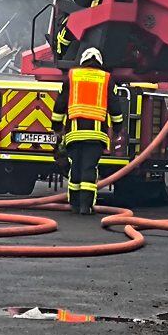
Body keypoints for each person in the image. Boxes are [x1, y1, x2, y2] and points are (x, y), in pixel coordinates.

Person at [51, 48, 125, 214]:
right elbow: (115, 107)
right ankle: (86, 206)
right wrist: (118, 128)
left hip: (74, 134)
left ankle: (74, 204)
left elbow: (60, 105)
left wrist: (56, 128)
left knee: (75, 167)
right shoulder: (106, 79)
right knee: (89, 169)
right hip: (96, 135)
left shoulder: (72, 77)